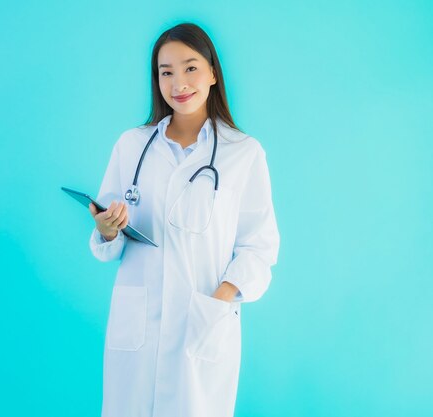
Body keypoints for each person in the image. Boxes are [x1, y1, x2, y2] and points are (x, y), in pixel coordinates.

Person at [87, 22, 280, 417]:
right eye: (166, 72)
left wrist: (219, 302)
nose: (179, 83)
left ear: (212, 72)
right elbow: (110, 237)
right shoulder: (132, 146)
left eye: (191, 68)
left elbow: (259, 248)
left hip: (203, 326)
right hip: (137, 330)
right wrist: (107, 230)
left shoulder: (243, 153)